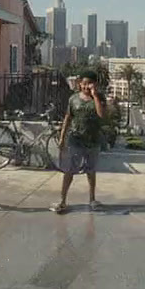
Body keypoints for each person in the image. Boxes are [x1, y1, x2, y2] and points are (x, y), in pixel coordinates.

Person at [51, 70, 108, 214]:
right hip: (75, 139)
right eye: (83, 83)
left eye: (89, 83)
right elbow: (67, 118)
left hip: (93, 140)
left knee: (91, 171)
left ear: (95, 84)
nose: (86, 86)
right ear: (79, 84)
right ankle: (63, 200)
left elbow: (101, 115)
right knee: (69, 171)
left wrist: (94, 96)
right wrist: (62, 137)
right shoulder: (73, 99)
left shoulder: (99, 98)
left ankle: (92, 199)